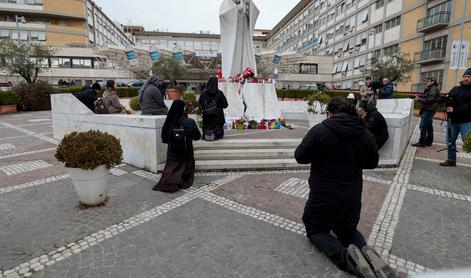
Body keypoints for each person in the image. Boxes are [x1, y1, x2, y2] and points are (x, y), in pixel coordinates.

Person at [295, 97, 394, 278]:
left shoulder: (320, 130)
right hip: (351, 195)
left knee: (316, 229)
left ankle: (344, 257)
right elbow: (372, 162)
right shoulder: (365, 133)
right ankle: (365, 251)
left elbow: (300, 156)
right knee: (347, 230)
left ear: (330, 113)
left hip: (323, 195)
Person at [153, 100, 201, 192]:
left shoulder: (169, 121)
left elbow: (164, 138)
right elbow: (197, 136)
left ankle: (169, 182)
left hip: (172, 152)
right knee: (186, 165)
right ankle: (182, 182)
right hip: (186, 152)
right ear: (183, 109)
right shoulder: (189, 121)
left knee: (172, 168)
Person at [439, 69, 471, 167]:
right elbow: (448, 99)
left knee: (468, 142)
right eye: (465, 76)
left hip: (466, 121)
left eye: (469, 77)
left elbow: (469, 106)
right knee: (449, 140)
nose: (466, 78)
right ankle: (451, 159)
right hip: (452, 120)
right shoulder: (455, 89)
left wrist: (454, 109)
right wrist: (444, 100)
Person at [412, 77, 440, 147]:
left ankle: (422, 142)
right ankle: (429, 142)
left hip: (429, 109)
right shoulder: (431, 88)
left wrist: (419, 99)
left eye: (427, 81)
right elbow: (426, 97)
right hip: (429, 109)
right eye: (425, 81)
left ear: (433, 81)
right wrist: (419, 96)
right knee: (429, 126)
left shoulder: (433, 88)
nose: (426, 82)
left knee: (423, 126)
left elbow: (430, 99)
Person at [198, 76, 228, 141]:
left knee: (207, 125)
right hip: (218, 116)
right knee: (217, 126)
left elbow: (199, 103)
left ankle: (207, 134)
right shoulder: (219, 93)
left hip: (207, 115)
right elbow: (225, 105)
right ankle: (215, 135)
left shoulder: (203, 93)